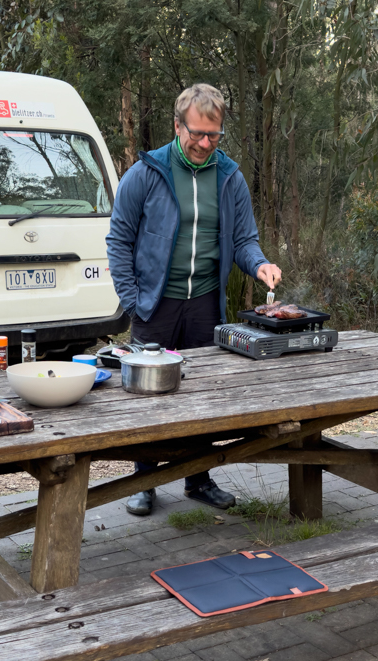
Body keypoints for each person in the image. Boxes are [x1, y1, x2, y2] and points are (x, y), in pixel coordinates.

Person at [106, 83, 282, 517]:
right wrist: (133, 302)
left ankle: (198, 478)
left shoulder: (230, 177)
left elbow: (244, 239)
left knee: (203, 395)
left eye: (214, 135)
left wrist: (259, 265)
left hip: (205, 301)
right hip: (154, 304)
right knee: (149, 396)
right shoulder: (146, 173)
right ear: (177, 124)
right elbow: (118, 242)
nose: (206, 144)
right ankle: (144, 480)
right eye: (198, 134)